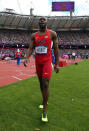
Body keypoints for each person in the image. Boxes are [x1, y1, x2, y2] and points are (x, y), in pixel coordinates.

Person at [23, 17, 59, 122]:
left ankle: (44, 110)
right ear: (39, 23)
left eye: (44, 20)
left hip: (47, 61)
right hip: (38, 62)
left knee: (46, 83)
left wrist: (56, 64)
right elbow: (30, 48)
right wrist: (26, 58)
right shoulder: (34, 35)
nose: (42, 21)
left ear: (46, 22)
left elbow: (56, 49)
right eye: (40, 20)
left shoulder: (52, 34)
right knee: (40, 84)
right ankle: (44, 100)